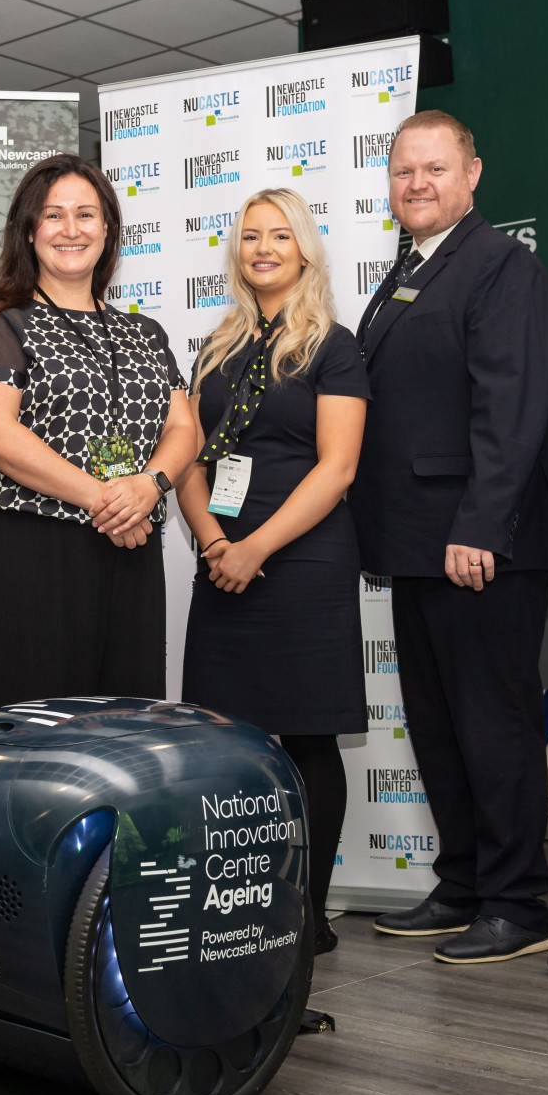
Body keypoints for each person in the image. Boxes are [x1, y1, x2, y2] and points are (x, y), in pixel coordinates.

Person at [355, 110, 548, 965]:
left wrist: (479, 525)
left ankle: (517, 901)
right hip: (414, 546)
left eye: (435, 168)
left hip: (479, 545)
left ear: (472, 175)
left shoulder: (502, 265)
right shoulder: (408, 270)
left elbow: (510, 408)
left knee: (493, 725)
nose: (417, 184)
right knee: (439, 728)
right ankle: (465, 881)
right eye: (404, 171)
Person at [179, 189, 369, 956]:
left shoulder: (334, 346)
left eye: (280, 235)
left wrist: (255, 547)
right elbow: (188, 458)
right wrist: (212, 541)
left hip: (304, 561)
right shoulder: (216, 347)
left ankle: (306, 912)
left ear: (305, 250)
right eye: (252, 236)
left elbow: (338, 467)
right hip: (222, 562)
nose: (263, 248)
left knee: (310, 738)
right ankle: (242, 905)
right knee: (226, 744)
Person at [0, 154, 198, 713]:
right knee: (36, 729)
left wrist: (149, 486)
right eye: (53, 215)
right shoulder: (3, 323)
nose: (71, 229)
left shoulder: (144, 332)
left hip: (131, 553)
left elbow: (183, 426)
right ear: (29, 231)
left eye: (86, 214)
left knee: (126, 726)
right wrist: (107, 501)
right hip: (35, 554)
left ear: (108, 228)